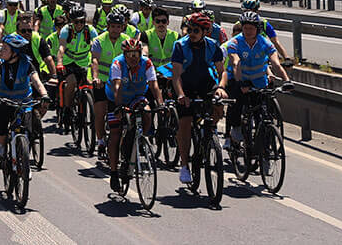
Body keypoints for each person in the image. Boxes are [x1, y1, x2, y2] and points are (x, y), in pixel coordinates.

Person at [170, 11, 227, 184]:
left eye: (196, 31)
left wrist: (221, 87)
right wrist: (181, 94)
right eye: (189, 30)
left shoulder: (213, 45)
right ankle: (185, 165)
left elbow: (221, 72)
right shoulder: (180, 45)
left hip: (204, 83)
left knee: (218, 105)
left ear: (204, 32)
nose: (191, 34)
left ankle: (207, 131)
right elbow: (176, 76)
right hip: (185, 85)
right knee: (185, 124)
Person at [223, 10, 292, 150]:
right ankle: (235, 130)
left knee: (261, 113)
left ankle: (263, 146)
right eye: (245, 28)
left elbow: (276, 64)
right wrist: (241, 83)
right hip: (240, 79)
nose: (248, 31)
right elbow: (236, 63)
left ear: (257, 29)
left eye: (251, 28)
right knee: (237, 104)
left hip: (259, 81)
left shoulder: (264, 43)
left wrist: (286, 80)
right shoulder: (235, 42)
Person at [105, 38, 161, 194]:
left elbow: (154, 86)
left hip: (137, 96)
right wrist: (119, 107)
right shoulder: (117, 63)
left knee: (148, 111)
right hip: (117, 98)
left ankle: (141, 139)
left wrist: (161, 104)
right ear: (124, 54)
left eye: (136, 53)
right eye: (129, 54)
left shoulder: (147, 63)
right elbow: (116, 86)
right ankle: (114, 172)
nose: (133, 57)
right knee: (116, 133)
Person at [0, 33, 49, 160]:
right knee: (3, 117)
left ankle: (24, 161)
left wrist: (44, 95)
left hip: (23, 102)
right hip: (4, 101)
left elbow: (36, 81)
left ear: (14, 52)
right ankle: (1, 146)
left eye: (5, 48)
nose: (1, 50)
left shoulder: (27, 64)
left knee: (27, 128)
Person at [90, 10, 130, 153]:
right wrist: (96, 77)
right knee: (100, 112)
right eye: (112, 26)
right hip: (102, 81)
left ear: (122, 27)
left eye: (118, 26)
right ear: (108, 26)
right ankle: (100, 141)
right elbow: (95, 60)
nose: (115, 29)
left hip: (120, 83)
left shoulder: (127, 40)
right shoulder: (99, 41)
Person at [56, 8, 98, 121]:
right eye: (76, 22)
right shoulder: (66, 30)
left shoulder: (90, 30)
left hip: (84, 61)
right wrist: (59, 63)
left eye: (82, 21)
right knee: (71, 82)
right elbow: (61, 48)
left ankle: (92, 110)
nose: (79, 24)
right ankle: (68, 109)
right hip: (68, 62)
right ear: (71, 21)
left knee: (90, 83)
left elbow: (96, 47)